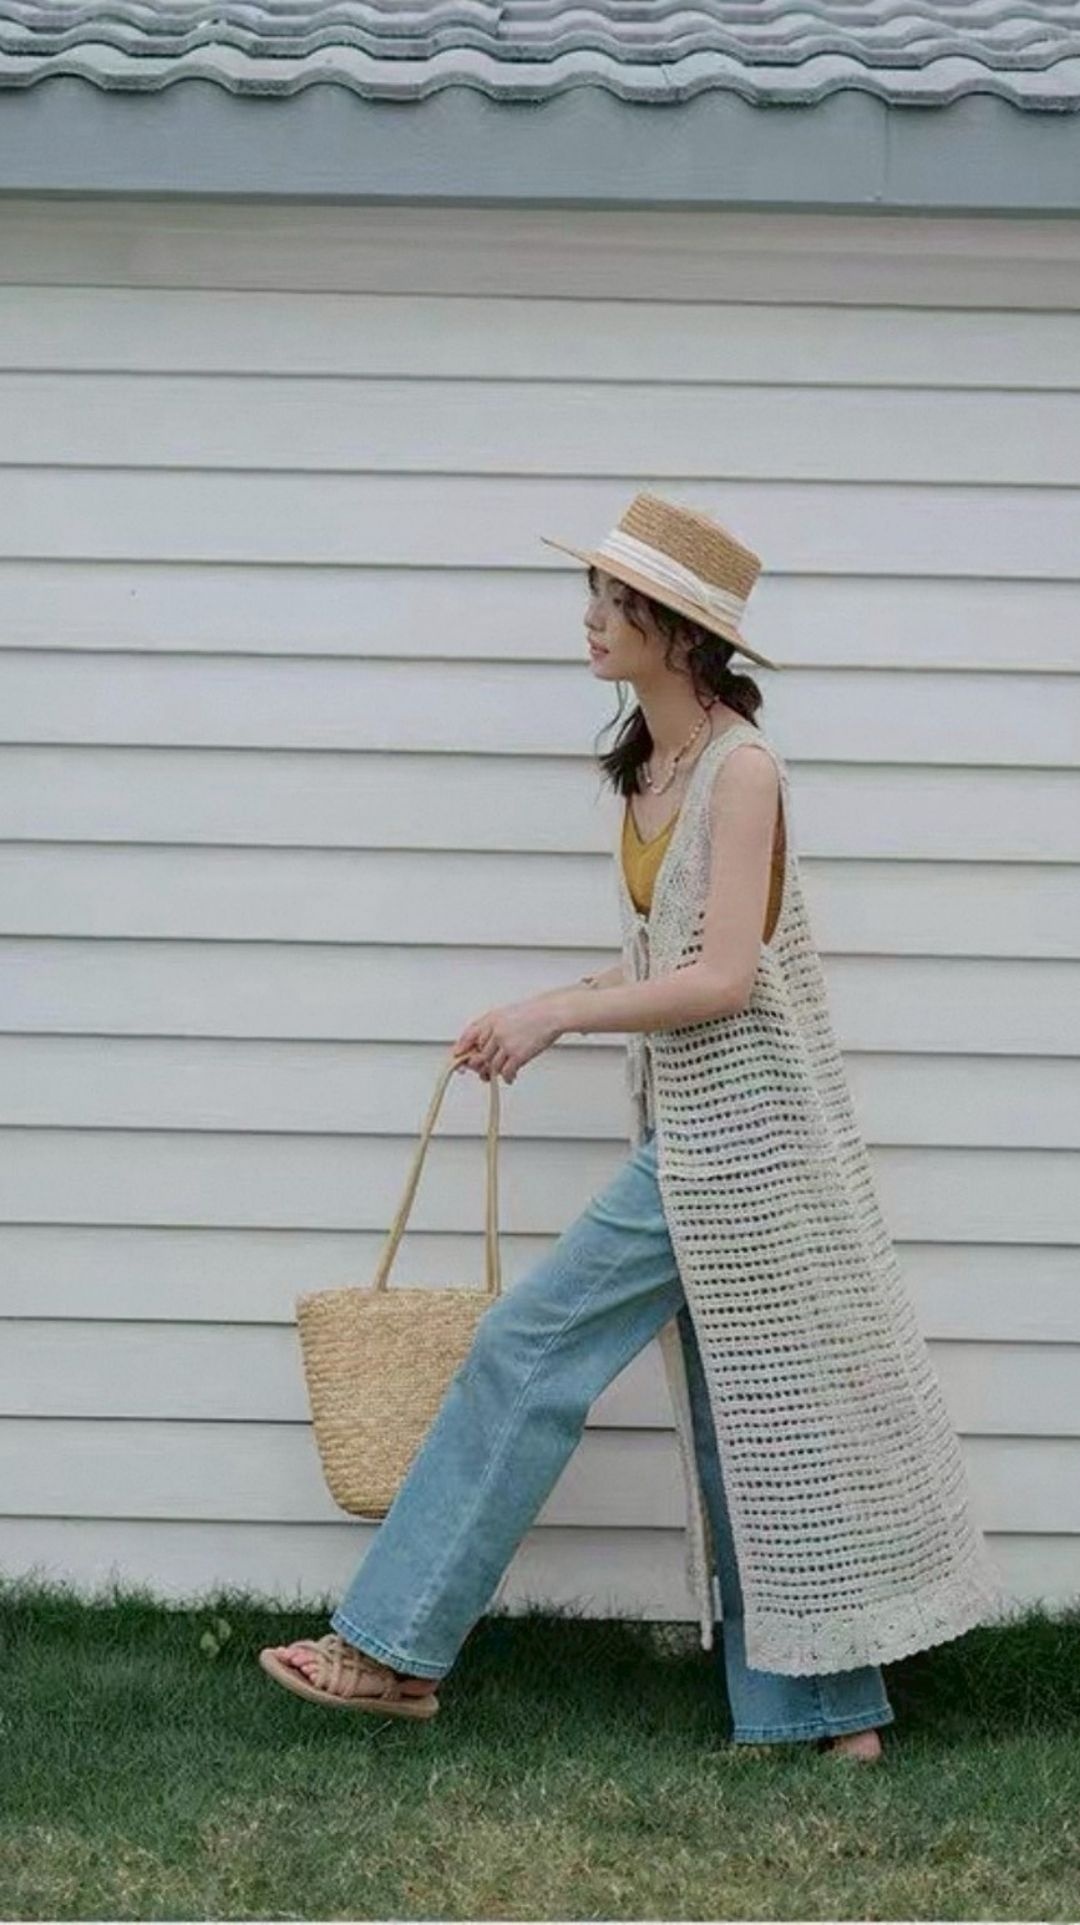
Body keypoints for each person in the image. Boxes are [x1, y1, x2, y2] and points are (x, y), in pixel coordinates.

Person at [260, 492, 999, 1752]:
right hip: (695, 1139)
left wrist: (559, 1013)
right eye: (594, 594)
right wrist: (538, 1011)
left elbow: (725, 979)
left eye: (619, 600)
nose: (593, 617)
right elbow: (665, 960)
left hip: (745, 1146)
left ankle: (387, 1649)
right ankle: (827, 1713)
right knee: (748, 1418)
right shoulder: (647, 769)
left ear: (683, 630)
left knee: (525, 1346)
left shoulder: (742, 769)